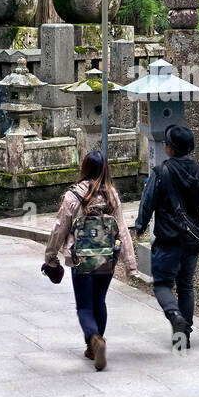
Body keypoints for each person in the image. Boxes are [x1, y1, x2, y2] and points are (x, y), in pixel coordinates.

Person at [133, 125, 199, 348]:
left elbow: (147, 204)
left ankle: (175, 315)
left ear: (169, 149)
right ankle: (185, 336)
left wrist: (140, 226)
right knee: (185, 286)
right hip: (193, 240)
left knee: (163, 283)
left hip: (168, 239)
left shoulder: (159, 173)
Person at [44, 151, 136, 371]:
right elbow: (122, 231)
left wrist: (51, 257)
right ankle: (96, 343)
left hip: (81, 259)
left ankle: (94, 340)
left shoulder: (73, 196)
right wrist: (130, 266)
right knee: (100, 300)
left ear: (84, 168)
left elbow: (60, 228)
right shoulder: (112, 195)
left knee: (84, 306)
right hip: (107, 259)